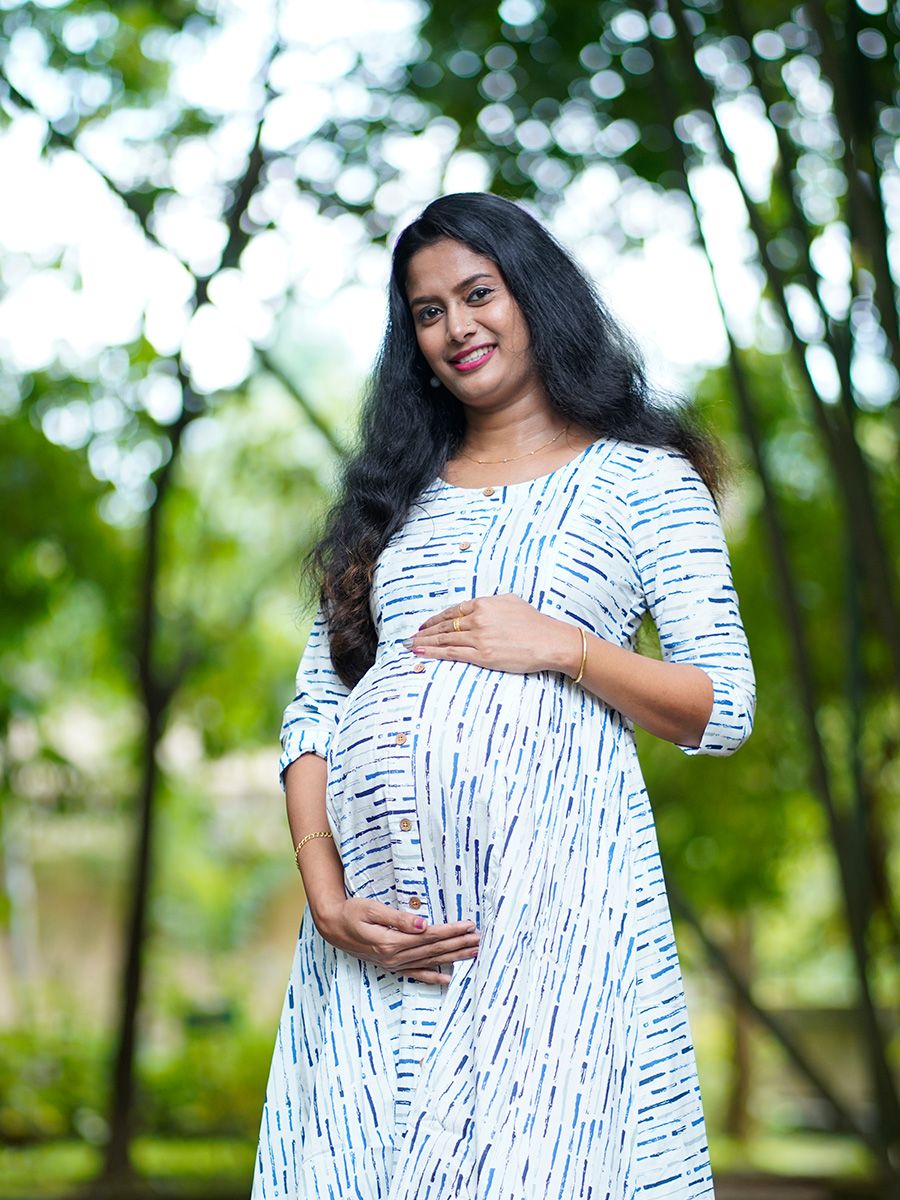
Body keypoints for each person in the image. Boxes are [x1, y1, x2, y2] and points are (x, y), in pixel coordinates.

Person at [250, 191, 756, 1200]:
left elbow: (723, 705)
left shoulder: (643, 482)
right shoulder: (395, 496)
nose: (456, 327)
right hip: (368, 944)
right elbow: (315, 710)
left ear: (534, 294)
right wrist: (327, 892)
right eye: (428, 312)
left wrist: (565, 646)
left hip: (550, 936)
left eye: (478, 293)